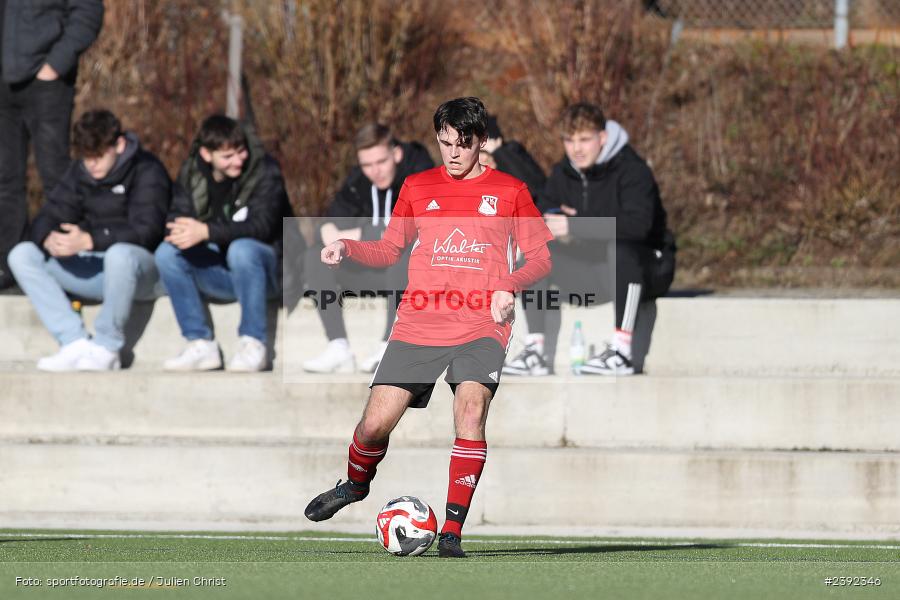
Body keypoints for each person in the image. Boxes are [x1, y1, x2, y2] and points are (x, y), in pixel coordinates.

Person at [303, 97, 552, 558]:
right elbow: (390, 250)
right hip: (421, 320)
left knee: (471, 412)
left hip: (482, 323)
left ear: (480, 141)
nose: (453, 153)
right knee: (375, 424)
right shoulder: (417, 187)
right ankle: (356, 486)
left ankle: (452, 533)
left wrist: (508, 285)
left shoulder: (511, 190)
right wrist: (349, 248)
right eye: (445, 144)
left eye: (463, 144)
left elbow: (540, 257)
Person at [503, 102, 674, 377]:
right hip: (593, 272)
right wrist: (557, 223)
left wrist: (578, 224)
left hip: (645, 272)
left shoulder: (632, 169)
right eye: (569, 140)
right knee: (538, 252)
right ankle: (535, 351)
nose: (576, 149)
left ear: (602, 138)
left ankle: (621, 352)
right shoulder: (564, 172)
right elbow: (545, 212)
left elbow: (637, 226)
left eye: (584, 140)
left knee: (622, 247)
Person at [7, 109, 170, 371]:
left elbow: (147, 232)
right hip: (96, 270)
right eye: (86, 157)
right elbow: (48, 215)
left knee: (120, 254)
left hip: (142, 273)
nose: (92, 164)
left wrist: (90, 241)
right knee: (22, 254)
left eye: (98, 156)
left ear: (118, 145)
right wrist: (49, 239)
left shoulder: (147, 170)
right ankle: (73, 341)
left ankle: (108, 346)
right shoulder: (80, 172)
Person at [155, 114, 291, 372]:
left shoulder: (264, 170)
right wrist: (184, 231)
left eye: (240, 152)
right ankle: (199, 342)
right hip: (223, 273)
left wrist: (207, 231)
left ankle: (253, 343)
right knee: (167, 253)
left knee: (243, 249)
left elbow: (262, 227)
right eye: (227, 157)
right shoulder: (192, 173)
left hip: (269, 273)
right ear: (207, 155)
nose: (238, 160)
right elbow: (175, 219)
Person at [302, 123, 433, 374]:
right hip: (373, 271)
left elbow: (418, 227)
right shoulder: (359, 180)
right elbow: (331, 220)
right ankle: (338, 347)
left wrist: (358, 233)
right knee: (316, 255)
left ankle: (391, 346)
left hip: (411, 277)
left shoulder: (420, 173)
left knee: (406, 252)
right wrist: (327, 231)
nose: (374, 171)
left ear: (396, 154)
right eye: (366, 165)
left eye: (381, 162)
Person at [0, 0, 104, 289]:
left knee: (55, 173)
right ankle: (9, 264)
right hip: (3, 86)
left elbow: (88, 12)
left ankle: (64, 262)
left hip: (46, 82)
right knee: (5, 178)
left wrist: (56, 64)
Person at [480, 114, 546, 201]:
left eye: (488, 155)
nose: (484, 160)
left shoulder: (513, 152)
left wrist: (499, 153)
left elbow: (533, 189)